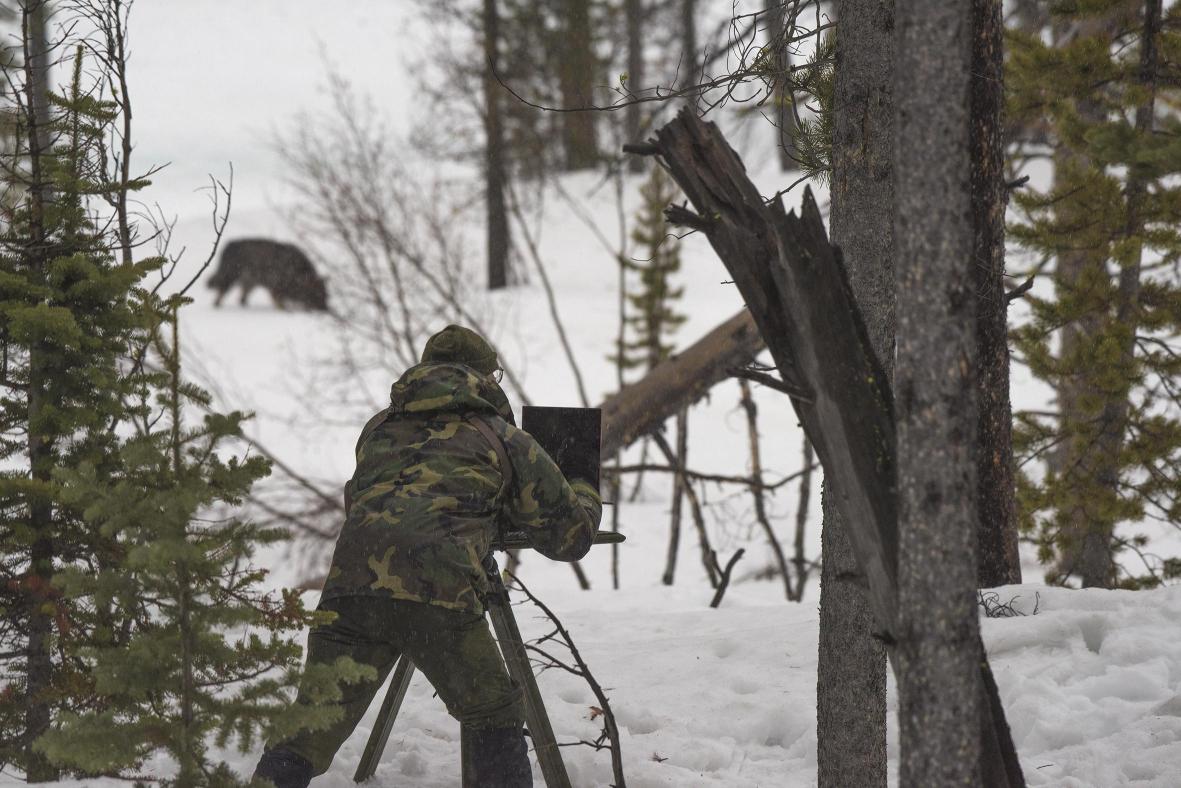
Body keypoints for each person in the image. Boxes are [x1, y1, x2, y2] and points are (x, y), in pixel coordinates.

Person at [253, 325, 602, 788]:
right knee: (493, 711)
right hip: (440, 592)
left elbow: (367, 499)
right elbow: (570, 538)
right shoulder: (504, 438)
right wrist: (583, 488)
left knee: (310, 727)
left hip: (351, 589)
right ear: (485, 377)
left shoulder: (377, 429)